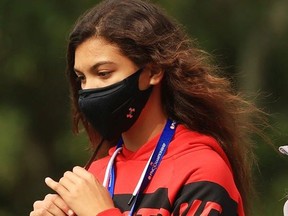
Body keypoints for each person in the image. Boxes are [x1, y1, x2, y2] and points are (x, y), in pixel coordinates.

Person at [30, 0, 267, 215]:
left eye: (103, 73)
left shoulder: (201, 170)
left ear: (153, 71)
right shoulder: (95, 177)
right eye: (81, 78)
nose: (89, 90)